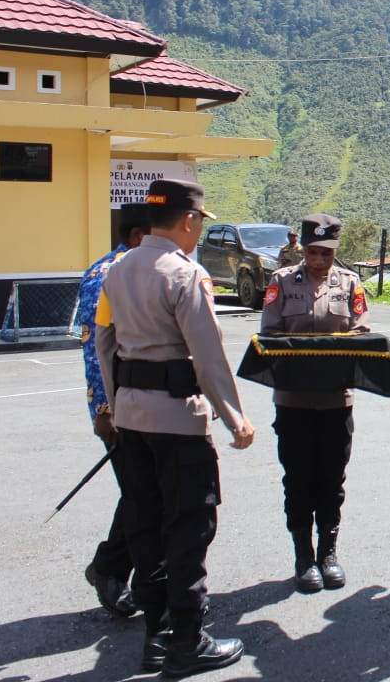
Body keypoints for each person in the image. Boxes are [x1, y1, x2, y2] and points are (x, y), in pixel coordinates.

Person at [94, 179, 256, 677]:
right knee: (188, 528)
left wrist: (118, 403)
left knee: (146, 527)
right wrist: (235, 417)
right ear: (188, 220)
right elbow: (207, 356)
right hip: (177, 422)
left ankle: (158, 638)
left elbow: (104, 344)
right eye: (198, 223)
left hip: (133, 418)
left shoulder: (116, 270)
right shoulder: (186, 275)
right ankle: (188, 640)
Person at [261, 214, 369, 593]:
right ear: (302, 248)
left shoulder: (350, 283)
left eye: (326, 252)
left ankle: (328, 552)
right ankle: (303, 555)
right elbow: (269, 334)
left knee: (332, 478)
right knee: (298, 478)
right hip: (293, 400)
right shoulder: (281, 282)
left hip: (336, 399)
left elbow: (359, 331)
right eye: (312, 251)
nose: (319, 260)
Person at [77, 201, 148, 619]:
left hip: (141, 403)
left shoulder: (135, 269)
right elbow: (95, 347)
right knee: (141, 494)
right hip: (120, 408)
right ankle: (109, 569)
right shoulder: (107, 274)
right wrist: (106, 409)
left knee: (148, 492)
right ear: (139, 236)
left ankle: (138, 579)